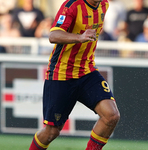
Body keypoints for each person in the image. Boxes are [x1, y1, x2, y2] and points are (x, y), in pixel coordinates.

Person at [29, 0, 120, 150]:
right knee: (52, 132)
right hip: (62, 74)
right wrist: (79, 37)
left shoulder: (104, 4)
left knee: (111, 115)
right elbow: (53, 35)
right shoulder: (72, 6)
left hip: (87, 71)